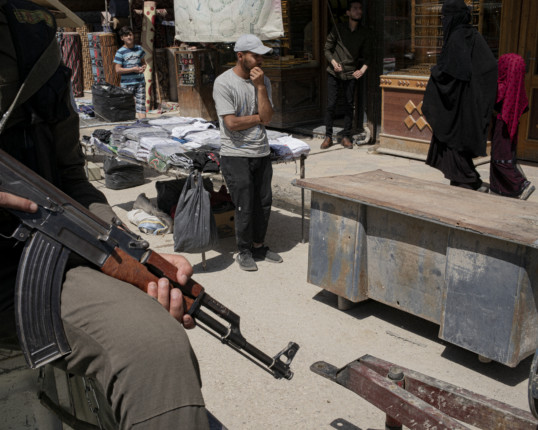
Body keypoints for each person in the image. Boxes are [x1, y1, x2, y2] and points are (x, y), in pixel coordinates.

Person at [0, 1, 209, 428]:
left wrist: (132, 255)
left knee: (155, 347)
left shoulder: (30, 36)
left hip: (36, 260)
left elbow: (71, 179)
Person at [212, 34, 283, 272]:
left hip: (260, 151)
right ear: (240, 56)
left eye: (262, 56)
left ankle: (259, 246)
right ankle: (243, 251)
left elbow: (268, 117)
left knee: (263, 201)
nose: (260, 60)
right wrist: (258, 118)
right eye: (255, 56)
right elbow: (231, 123)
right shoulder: (223, 83)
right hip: (235, 153)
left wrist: (260, 87)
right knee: (244, 204)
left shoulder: (264, 82)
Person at [423, 0, 497, 191]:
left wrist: (435, 72)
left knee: (452, 140)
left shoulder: (457, 37)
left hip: (458, 106)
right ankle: (468, 180)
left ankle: (468, 180)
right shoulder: (473, 35)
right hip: (469, 102)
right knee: (456, 142)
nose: (443, 21)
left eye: (445, 17)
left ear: (453, 18)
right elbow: (487, 67)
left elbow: (449, 73)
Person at [321, 0, 370, 150]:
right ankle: (328, 136)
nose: (358, 11)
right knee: (331, 104)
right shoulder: (338, 28)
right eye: (355, 8)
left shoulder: (364, 32)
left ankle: (346, 136)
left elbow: (368, 56)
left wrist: (362, 70)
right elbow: (327, 49)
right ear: (348, 12)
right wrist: (334, 63)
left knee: (349, 105)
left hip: (351, 73)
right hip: (334, 72)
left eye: (360, 8)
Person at [489, 53, 535, 200]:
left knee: (499, 158)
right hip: (512, 127)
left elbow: (493, 100)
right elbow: (524, 106)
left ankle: (521, 185)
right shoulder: (518, 88)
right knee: (507, 155)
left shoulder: (502, 86)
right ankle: (499, 188)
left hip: (502, 125)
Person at [114, 26, 147, 119]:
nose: (129, 37)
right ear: (122, 38)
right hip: (126, 84)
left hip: (140, 82)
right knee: (127, 107)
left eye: (130, 34)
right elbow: (118, 70)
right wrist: (133, 69)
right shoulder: (120, 52)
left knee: (141, 106)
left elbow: (143, 62)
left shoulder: (139, 49)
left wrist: (143, 67)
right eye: (126, 35)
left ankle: (143, 124)